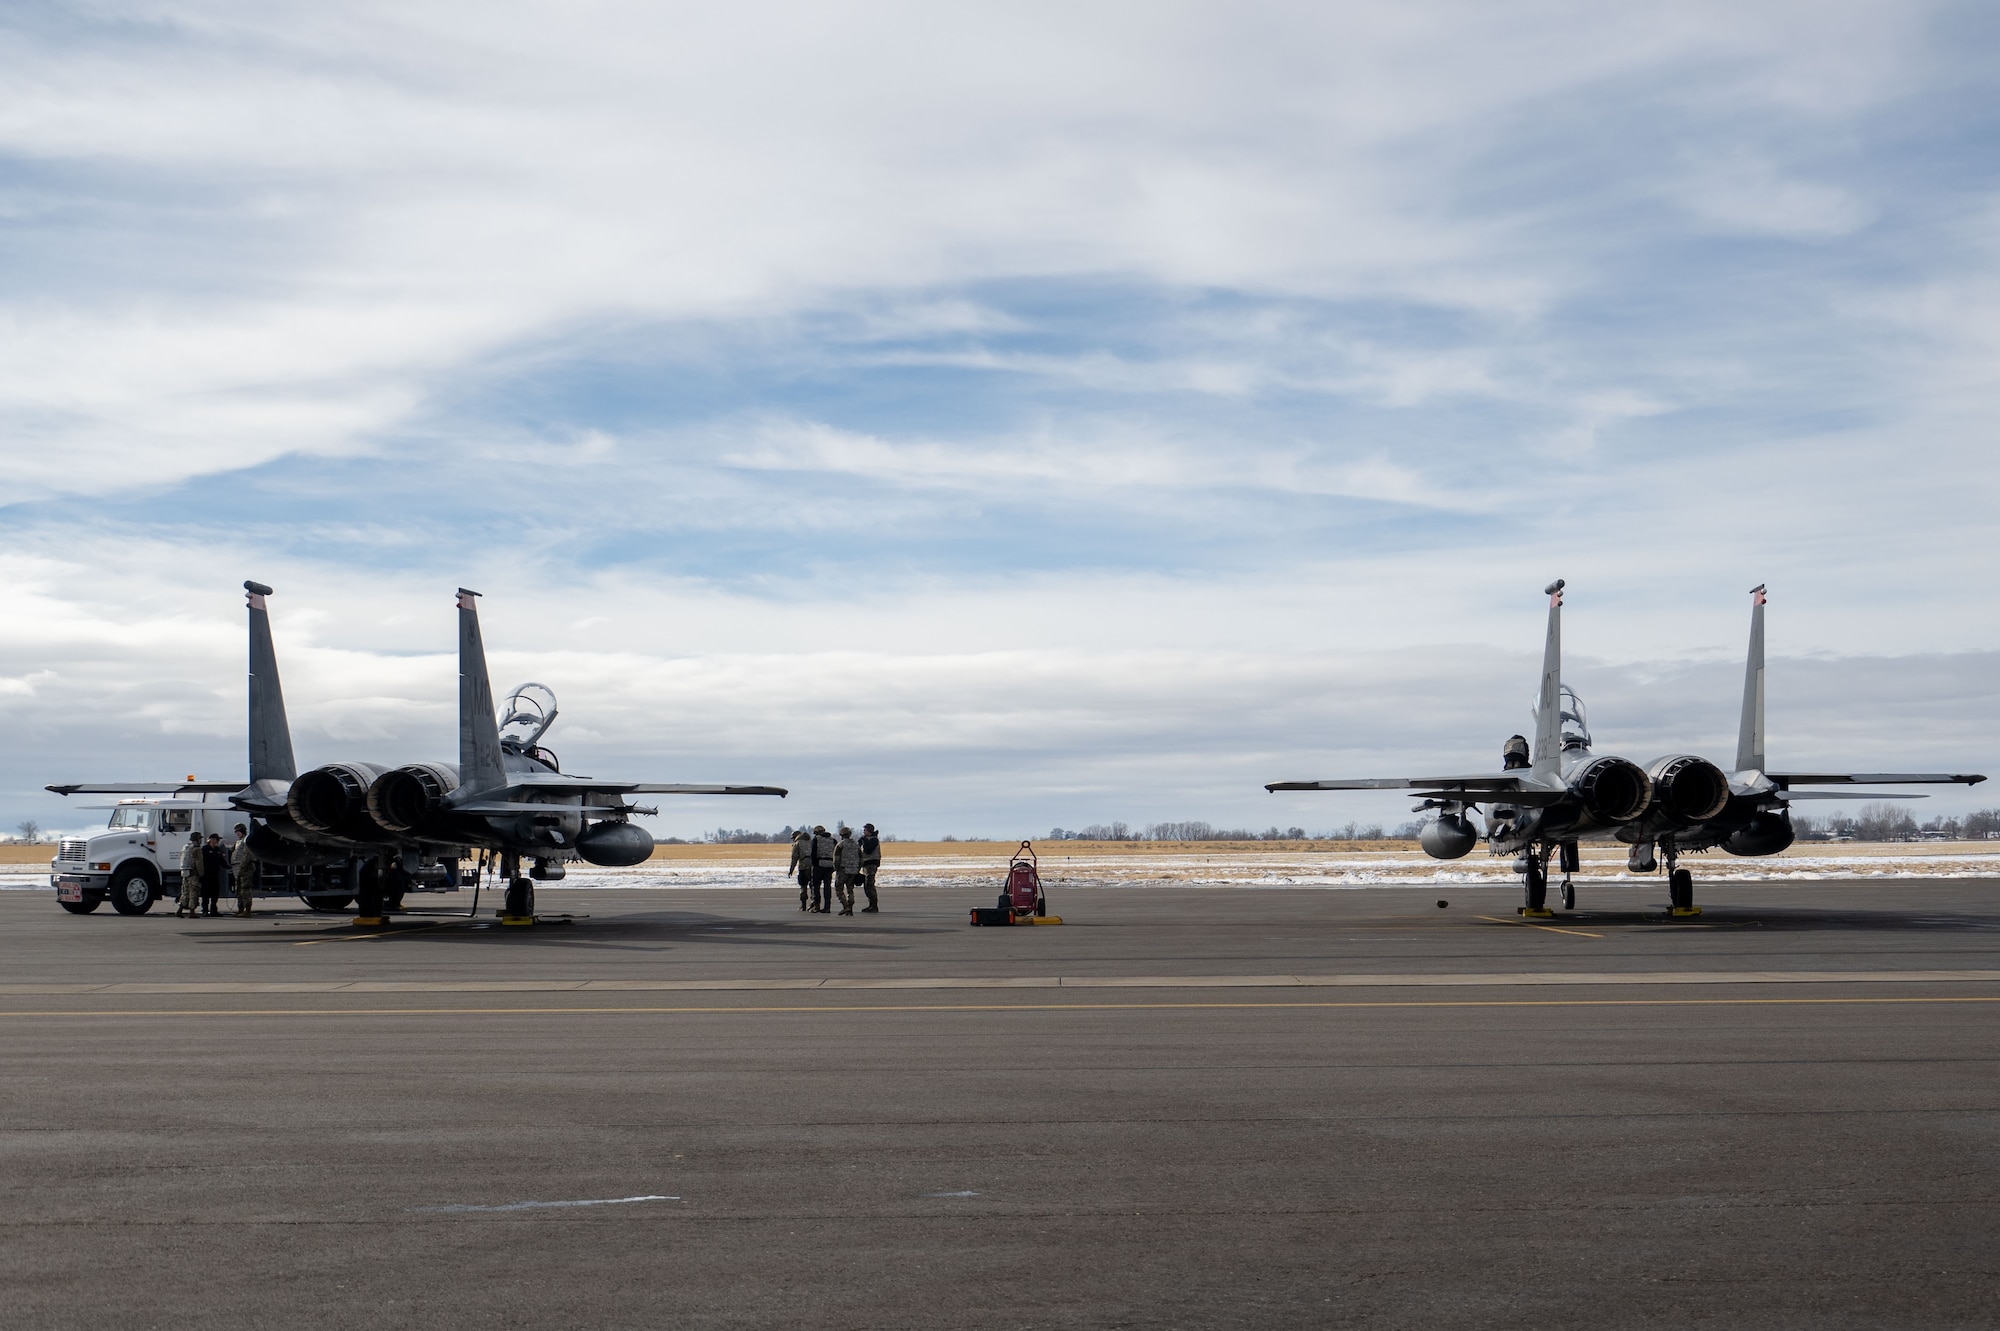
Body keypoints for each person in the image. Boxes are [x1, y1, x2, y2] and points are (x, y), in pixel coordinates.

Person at [833, 825, 862, 915]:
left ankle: (846, 906)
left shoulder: (840, 845)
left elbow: (836, 859)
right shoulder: (856, 845)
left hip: (843, 870)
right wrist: (858, 869)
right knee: (850, 889)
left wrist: (836, 868)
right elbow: (861, 858)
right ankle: (850, 908)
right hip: (853, 870)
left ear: (841, 835)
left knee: (839, 889)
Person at [230, 823, 257, 916]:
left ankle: (247, 910)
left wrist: (242, 866)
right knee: (238, 889)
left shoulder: (246, 841)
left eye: (239, 832)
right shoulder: (238, 842)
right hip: (236, 868)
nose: (237, 834)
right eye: (236, 832)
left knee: (245, 889)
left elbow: (247, 855)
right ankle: (240, 908)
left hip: (245, 868)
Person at [199, 832, 228, 916]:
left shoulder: (218, 850)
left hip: (215, 875)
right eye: (215, 839)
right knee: (205, 893)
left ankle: (213, 910)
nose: (217, 841)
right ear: (211, 840)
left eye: (217, 840)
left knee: (215, 893)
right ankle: (204, 910)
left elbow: (222, 862)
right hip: (206, 875)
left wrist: (229, 867)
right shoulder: (204, 849)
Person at [809, 825, 837, 913]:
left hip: (819, 865)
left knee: (816, 886)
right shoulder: (833, 840)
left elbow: (813, 852)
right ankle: (827, 907)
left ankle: (816, 906)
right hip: (830, 865)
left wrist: (814, 864)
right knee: (827, 887)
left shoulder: (816, 840)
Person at [176, 832, 202, 918]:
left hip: (184, 872)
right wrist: (201, 874)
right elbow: (199, 863)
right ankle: (192, 911)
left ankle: (180, 910)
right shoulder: (197, 849)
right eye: (200, 838)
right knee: (193, 892)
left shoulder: (185, 847)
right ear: (197, 839)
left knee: (185, 892)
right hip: (193, 873)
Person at [858, 823, 882, 913]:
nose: (863, 832)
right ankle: (871, 904)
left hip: (871, 864)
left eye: (865, 830)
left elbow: (868, 850)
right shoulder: (868, 839)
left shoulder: (874, 840)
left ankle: (874, 905)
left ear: (869, 831)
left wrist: (864, 841)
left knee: (869, 884)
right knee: (866, 885)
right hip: (866, 864)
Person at [787, 830, 812, 911]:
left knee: (803, 886)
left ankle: (803, 905)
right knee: (813, 886)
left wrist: (791, 870)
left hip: (803, 866)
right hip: (813, 866)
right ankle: (814, 904)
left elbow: (794, 858)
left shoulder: (797, 843)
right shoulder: (811, 842)